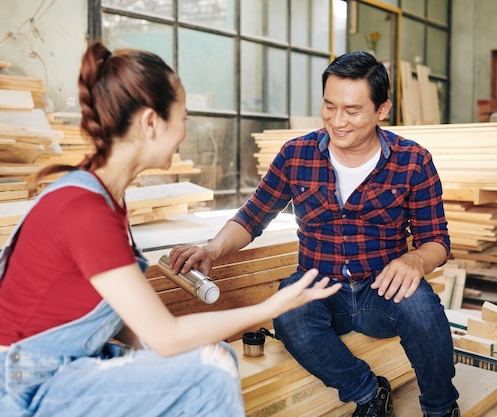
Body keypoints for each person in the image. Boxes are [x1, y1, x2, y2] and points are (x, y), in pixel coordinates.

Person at [0, 41, 341, 417]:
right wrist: (271, 307)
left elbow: (131, 324)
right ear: (150, 122)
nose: (183, 132)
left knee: (213, 355)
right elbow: (165, 337)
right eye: (182, 118)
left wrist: (182, 348)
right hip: (26, 391)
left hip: (64, 365)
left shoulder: (106, 196)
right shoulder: (85, 210)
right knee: (205, 374)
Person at [169, 51, 461, 417]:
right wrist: (211, 250)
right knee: (290, 313)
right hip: (321, 287)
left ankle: (440, 408)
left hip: (381, 291)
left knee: (422, 307)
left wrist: (414, 260)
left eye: (352, 111)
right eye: (329, 106)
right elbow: (251, 217)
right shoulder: (296, 155)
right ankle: (369, 393)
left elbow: (437, 240)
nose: (337, 121)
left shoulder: (412, 161)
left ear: (382, 109)